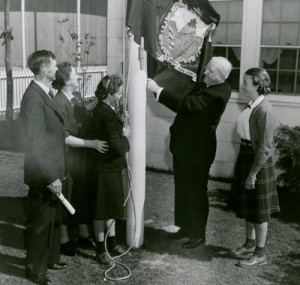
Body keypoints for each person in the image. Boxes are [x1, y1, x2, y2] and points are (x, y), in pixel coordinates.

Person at [146, 56, 232, 249]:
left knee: (196, 193)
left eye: (210, 71)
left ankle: (198, 234)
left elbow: (186, 104)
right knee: (183, 189)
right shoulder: (209, 85)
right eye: (207, 68)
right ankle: (185, 227)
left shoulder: (218, 94)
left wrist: (158, 90)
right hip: (185, 148)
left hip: (198, 152)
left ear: (219, 77)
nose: (205, 72)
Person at [20, 50, 66, 285]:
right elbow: (36, 142)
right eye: (54, 66)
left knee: (49, 219)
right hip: (43, 173)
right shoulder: (33, 98)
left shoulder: (44, 94)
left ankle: (48, 259)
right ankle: (35, 270)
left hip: (51, 169)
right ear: (44, 70)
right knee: (40, 222)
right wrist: (51, 176)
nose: (57, 70)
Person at [52, 62, 108, 256]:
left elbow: (85, 123)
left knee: (81, 193)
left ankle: (84, 233)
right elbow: (65, 137)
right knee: (67, 195)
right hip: (68, 157)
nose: (78, 77)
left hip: (82, 157)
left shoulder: (75, 97)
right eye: (75, 75)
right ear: (67, 81)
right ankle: (63, 238)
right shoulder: (58, 102)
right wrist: (91, 144)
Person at [230, 68, 280, 267]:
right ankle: (250, 244)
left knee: (259, 210)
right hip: (246, 156)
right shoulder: (251, 105)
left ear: (258, 85)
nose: (243, 85)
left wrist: (253, 173)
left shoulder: (264, 110)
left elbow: (265, 147)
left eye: (246, 82)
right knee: (248, 205)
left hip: (257, 161)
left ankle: (260, 253)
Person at [88, 75, 130, 265]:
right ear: (110, 93)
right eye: (119, 92)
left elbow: (111, 132)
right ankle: (100, 250)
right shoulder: (104, 113)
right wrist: (126, 137)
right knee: (100, 211)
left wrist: (121, 120)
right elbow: (117, 147)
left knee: (111, 207)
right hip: (103, 169)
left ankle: (111, 242)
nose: (121, 96)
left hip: (109, 167)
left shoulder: (106, 109)